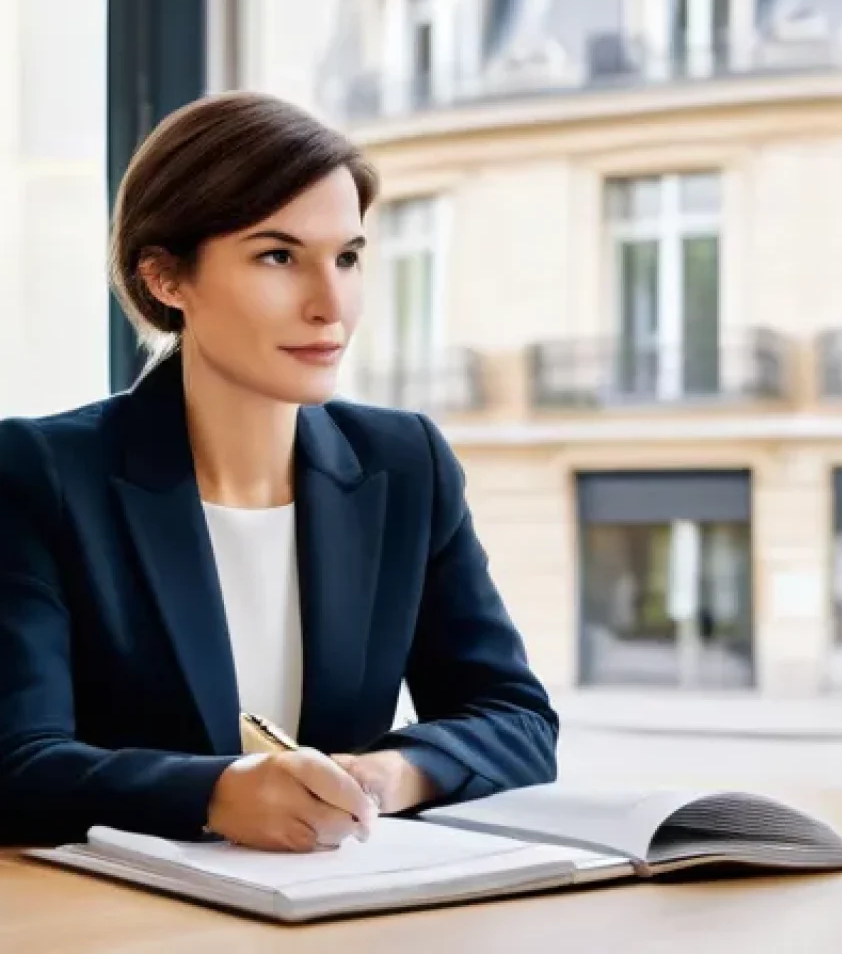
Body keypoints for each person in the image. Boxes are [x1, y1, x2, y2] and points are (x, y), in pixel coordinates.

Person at [0, 91, 558, 852]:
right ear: (166, 278)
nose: (331, 305)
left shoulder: (405, 464)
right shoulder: (40, 473)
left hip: (338, 908)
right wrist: (218, 794)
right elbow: (17, 764)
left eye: (349, 258)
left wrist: (390, 776)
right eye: (278, 257)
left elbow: (516, 720)